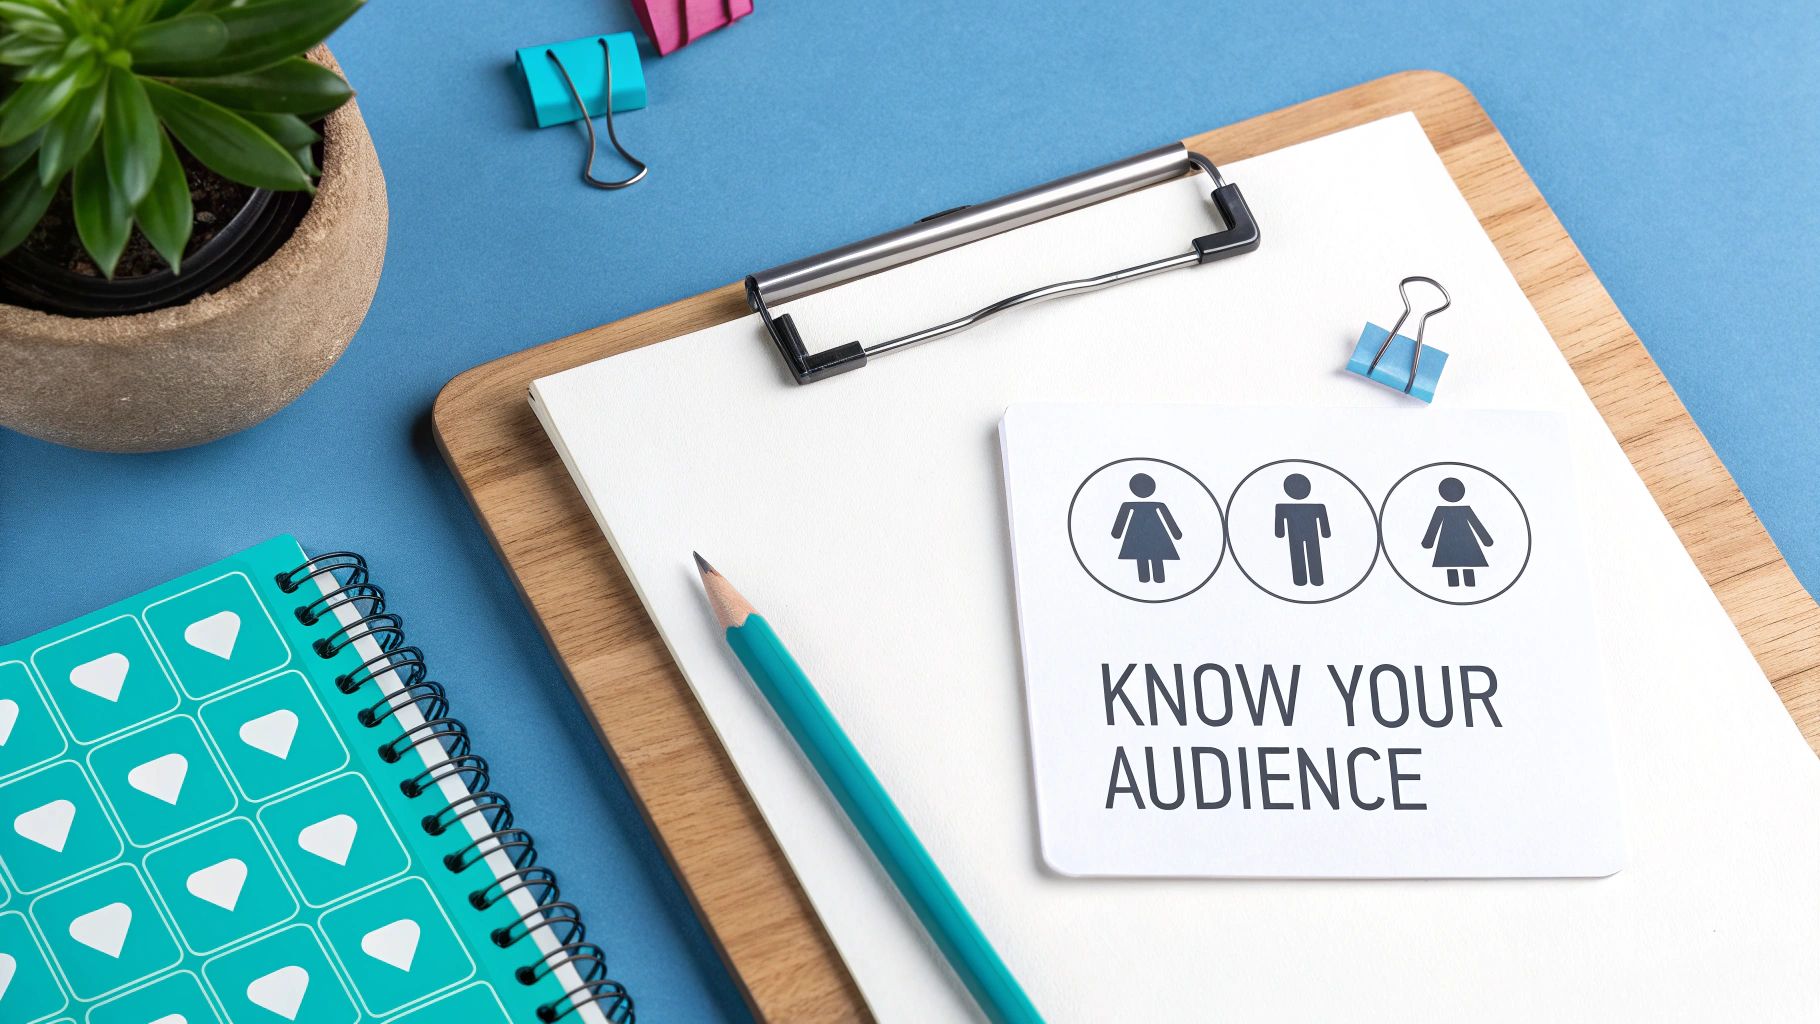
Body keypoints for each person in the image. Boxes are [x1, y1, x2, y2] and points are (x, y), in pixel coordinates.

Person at [1421, 476, 1493, 587]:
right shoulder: (1448, 510)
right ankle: (1461, 587)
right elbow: (1477, 526)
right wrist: (1487, 541)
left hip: (1451, 543)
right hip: (1462, 543)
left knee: (1454, 565)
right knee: (1463, 564)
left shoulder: (1448, 510)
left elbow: (1477, 525)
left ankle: (1463, 586)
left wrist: (1428, 543)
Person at [1111, 473, 1183, 583]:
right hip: (1150, 535)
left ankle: (1151, 578)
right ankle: (1152, 578)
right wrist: (1176, 534)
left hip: (1145, 535)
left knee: (1147, 556)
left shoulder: (1154, 505)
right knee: (1148, 556)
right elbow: (1121, 521)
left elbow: (1169, 520)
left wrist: (1117, 533)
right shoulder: (1131, 505)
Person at [1274, 473, 1330, 586]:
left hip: (1303, 536)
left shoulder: (1283, 507)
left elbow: (1279, 528)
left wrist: (1280, 533)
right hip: (1300, 536)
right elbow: (1279, 525)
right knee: (1301, 555)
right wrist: (1325, 533)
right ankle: (1307, 580)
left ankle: (1311, 580)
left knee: (1309, 555)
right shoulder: (1283, 507)